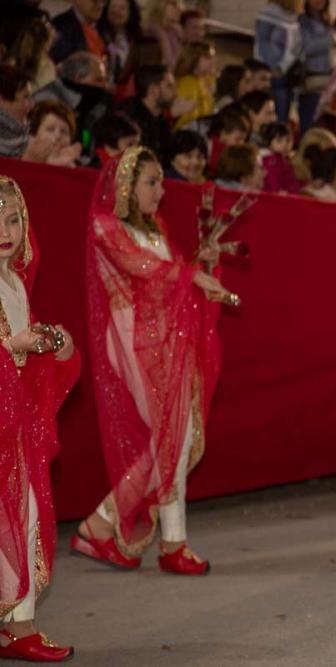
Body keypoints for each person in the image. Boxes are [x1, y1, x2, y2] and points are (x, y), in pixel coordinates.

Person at [73, 146, 234, 575]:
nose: (160, 191)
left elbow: (172, 276)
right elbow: (144, 270)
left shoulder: (155, 229)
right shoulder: (105, 226)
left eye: (161, 181)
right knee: (170, 437)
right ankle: (129, 530)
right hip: (133, 338)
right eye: (151, 182)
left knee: (174, 436)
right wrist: (190, 274)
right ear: (126, 185)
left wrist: (205, 272)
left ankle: (128, 529)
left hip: (165, 337)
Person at [0, 177, 80, 663]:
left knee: (25, 510)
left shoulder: (14, 281)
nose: (5, 231)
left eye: (12, 219)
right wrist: (14, 346)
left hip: (17, 422)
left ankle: (21, 624)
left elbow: (23, 349)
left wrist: (53, 343)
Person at [254, 0, 304, 123]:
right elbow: (262, 43)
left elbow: (296, 44)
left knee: (283, 114)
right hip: (273, 72)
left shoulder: (292, 17)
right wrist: (275, 67)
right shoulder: (269, 14)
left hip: (286, 72)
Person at [120, 64, 175, 162]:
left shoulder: (163, 124)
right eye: (169, 86)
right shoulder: (127, 118)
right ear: (153, 90)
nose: (175, 92)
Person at [298, 0, 334, 130]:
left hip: (328, 79)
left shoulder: (325, 20)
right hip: (312, 78)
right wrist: (330, 39)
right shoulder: (303, 21)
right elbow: (305, 47)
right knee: (309, 123)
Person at [98, 0, 142, 87]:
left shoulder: (135, 38)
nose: (117, 11)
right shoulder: (99, 34)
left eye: (122, 8)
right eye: (113, 6)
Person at [173, 41, 217, 129]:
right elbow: (186, 117)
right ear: (194, 58)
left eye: (213, 57)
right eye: (207, 57)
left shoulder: (207, 81)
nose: (213, 61)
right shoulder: (187, 82)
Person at [26, 99, 82, 167]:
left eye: (64, 132)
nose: (58, 136)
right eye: (50, 129)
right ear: (34, 133)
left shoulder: (75, 168)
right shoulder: (17, 156)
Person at [260, 121, 300, 194]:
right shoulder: (270, 161)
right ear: (268, 142)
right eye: (279, 140)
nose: (284, 145)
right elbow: (272, 183)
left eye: (288, 140)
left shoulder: (285, 160)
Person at [143, 0, 183, 69]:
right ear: (159, 5)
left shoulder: (172, 32)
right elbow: (168, 65)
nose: (180, 8)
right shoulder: (152, 32)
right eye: (173, 4)